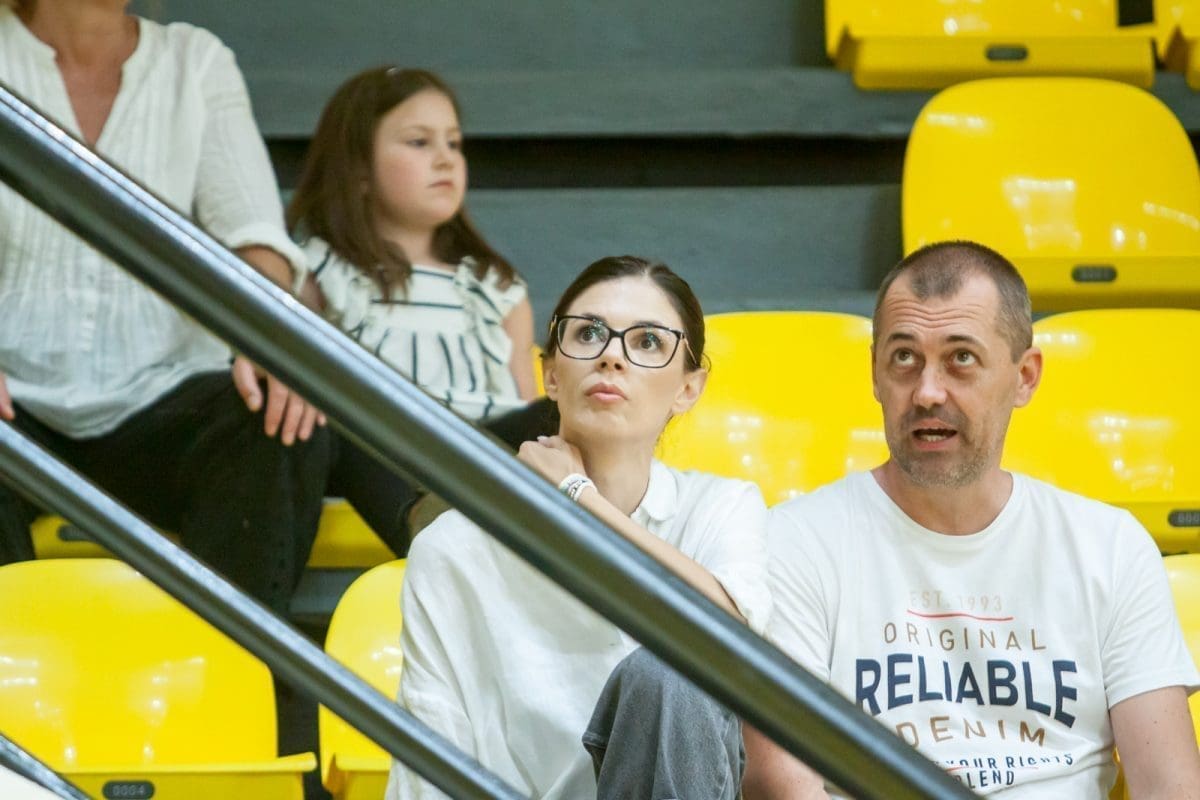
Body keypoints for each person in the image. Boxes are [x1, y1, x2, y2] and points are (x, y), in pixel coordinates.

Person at [742, 241, 1200, 798]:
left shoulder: (1109, 546)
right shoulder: (792, 542)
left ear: (1025, 376)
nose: (927, 392)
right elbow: (783, 785)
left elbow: (1171, 786)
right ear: (875, 374)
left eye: (961, 358)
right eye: (904, 358)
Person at [386, 255, 772, 799]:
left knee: (674, 675)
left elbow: (735, 648)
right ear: (550, 372)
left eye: (648, 342)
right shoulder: (454, 549)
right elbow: (430, 764)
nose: (612, 355)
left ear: (689, 388)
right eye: (589, 333)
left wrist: (580, 498)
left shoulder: (720, 507)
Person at [0, 0, 330, 614]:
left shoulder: (194, 60)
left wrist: (265, 332)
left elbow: (254, 235)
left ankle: (231, 661)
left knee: (276, 413)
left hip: (165, 392)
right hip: (13, 400)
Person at [287, 66, 555, 555]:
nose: (445, 159)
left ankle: (580, 523)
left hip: (486, 451)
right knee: (339, 408)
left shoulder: (495, 289)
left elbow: (522, 405)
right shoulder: (318, 274)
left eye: (453, 143)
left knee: (558, 412)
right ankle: (433, 526)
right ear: (358, 169)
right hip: (387, 457)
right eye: (419, 142)